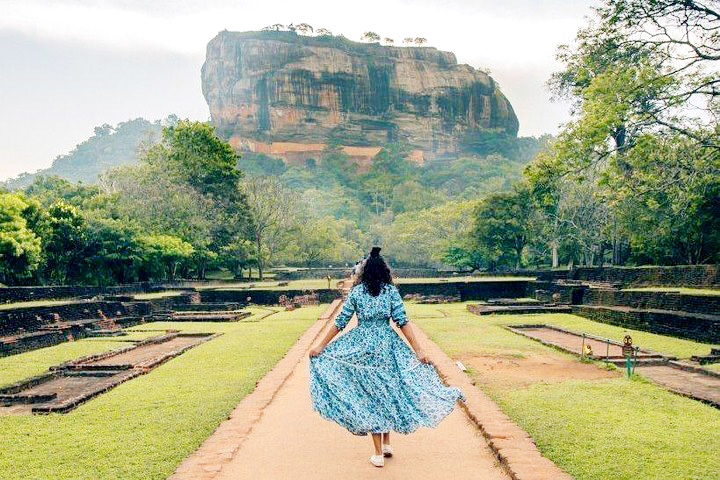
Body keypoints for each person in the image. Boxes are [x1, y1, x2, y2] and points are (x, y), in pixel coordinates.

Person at [308, 247, 465, 468]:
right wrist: (419, 351)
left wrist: (321, 346)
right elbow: (403, 321)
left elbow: (340, 322)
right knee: (388, 388)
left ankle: (379, 453)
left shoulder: (357, 293)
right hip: (387, 345)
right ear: (384, 271)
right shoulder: (390, 292)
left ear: (363, 273)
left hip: (362, 345)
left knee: (373, 395)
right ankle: (387, 444)